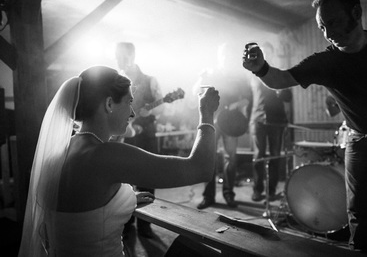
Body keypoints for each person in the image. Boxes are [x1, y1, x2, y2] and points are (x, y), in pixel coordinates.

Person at [243, 0, 367, 255]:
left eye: (334, 22)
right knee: (360, 214)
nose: (328, 33)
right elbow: (281, 79)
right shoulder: (326, 61)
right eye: (322, 27)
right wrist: (260, 68)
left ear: (357, 13)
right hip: (360, 141)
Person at [18, 66, 219, 257]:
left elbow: (82, 211)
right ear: (108, 104)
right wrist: (207, 114)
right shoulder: (108, 155)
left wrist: (125, 200)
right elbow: (200, 169)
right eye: (129, 102)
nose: (132, 112)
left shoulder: (60, 151)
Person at [195, 42, 252, 209]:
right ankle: (208, 196)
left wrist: (237, 104)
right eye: (223, 53)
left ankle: (228, 194)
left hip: (231, 121)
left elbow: (247, 98)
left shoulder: (239, 75)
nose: (226, 56)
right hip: (212, 119)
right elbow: (197, 92)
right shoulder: (211, 73)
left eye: (229, 53)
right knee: (208, 158)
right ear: (219, 56)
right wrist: (200, 78)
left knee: (231, 158)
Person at [115, 42, 164, 238]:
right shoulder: (115, 80)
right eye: (117, 55)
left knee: (147, 178)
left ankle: (146, 225)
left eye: (123, 55)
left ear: (133, 55)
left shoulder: (150, 80)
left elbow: (162, 107)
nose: (119, 59)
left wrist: (150, 109)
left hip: (146, 136)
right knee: (124, 179)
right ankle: (127, 223)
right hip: (124, 136)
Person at [249, 42, 292, 202]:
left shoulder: (278, 73)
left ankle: (271, 191)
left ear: (272, 54)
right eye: (262, 52)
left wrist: (281, 92)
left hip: (277, 120)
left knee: (275, 155)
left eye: (268, 52)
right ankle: (257, 190)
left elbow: (288, 97)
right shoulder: (252, 72)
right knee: (258, 155)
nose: (265, 54)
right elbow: (248, 98)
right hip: (257, 119)